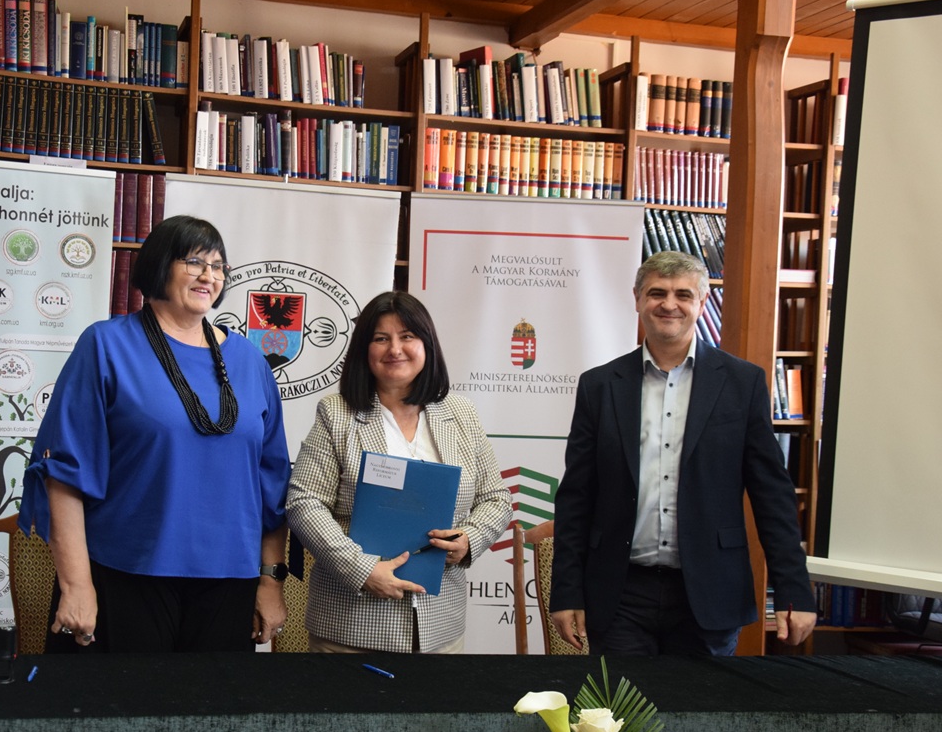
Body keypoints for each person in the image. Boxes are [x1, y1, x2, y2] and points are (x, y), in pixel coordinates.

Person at [19, 215, 290, 652]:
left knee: (214, 699)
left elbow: (272, 485)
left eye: (218, 266)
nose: (209, 275)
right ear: (159, 265)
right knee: (124, 698)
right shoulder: (106, 345)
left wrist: (271, 581)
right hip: (126, 571)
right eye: (195, 261)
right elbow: (65, 473)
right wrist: (76, 585)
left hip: (230, 580)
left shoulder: (250, 361)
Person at [549, 251, 817, 656]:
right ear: (637, 299)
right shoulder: (599, 386)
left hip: (710, 591)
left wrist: (793, 589)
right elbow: (576, 498)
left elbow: (772, 496)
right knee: (622, 700)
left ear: (702, 302)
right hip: (620, 593)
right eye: (657, 293)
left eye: (683, 294)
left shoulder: (742, 384)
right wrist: (567, 590)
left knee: (700, 701)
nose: (669, 304)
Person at [286, 291, 511, 653]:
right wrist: (361, 570)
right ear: (364, 349)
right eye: (381, 338)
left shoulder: (461, 413)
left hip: (441, 629)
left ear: (427, 345)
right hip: (353, 626)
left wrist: (469, 539)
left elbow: (496, 498)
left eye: (407, 336)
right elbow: (304, 502)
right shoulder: (336, 414)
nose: (395, 349)